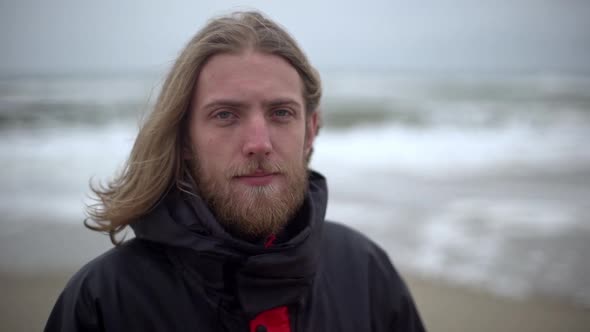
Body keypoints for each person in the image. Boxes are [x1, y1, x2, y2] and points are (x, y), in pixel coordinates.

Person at [45, 10, 426, 332]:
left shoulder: (364, 272)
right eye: (225, 115)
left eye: (281, 113)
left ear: (310, 130)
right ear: (184, 139)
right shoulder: (105, 301)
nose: (258, 142)